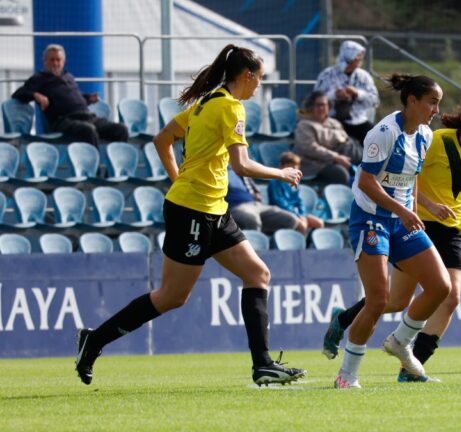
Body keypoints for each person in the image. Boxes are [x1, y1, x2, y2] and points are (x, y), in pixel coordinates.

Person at [74, 44, 307, 387]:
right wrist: (282, 173)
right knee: (171, 297)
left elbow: (161, 139)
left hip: (213, 209)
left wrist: (178, 177)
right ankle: (94, 341)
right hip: (193, 212)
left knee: (258, 273)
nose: (259, 86)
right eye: (259, 78)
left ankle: (263, 365)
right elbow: (241, 164)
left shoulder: (205, 103)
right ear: (247, 75)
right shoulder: (229, 107)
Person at [322, 91, 461, 383]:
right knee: (390, 301)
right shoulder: (437, 139)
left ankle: (410, 365)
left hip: (451, 229)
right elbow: (410, 173)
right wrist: (423, 207)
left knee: (450, 294)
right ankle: (344, 322)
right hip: (416, 221)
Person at [333, 73, 451, 389]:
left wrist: (411, 209)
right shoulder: (384, 132)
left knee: (441, 286)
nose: (436, 110)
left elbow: (410, 178)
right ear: (411, 101)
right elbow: (366, 182)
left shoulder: (424, 135)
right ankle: (346, 376)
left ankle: (400, 342)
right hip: (370, 220)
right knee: (377, 300)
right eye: (432, 102)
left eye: (438, 104)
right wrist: (403, 210)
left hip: (401, 222)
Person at [12, 44, 129, 146]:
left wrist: (88, 98)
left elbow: (73, 100)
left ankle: (114, 168)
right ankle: (93, 169)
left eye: (58, 60)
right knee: (88, 130)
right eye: (52, 60)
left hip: (87, 117)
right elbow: (18, 94)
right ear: (45, 61)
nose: (55, 63)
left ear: (63, 62)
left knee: (120, 129)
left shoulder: (68, 77)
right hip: (64, 121)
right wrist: (35, 95)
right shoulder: (39, 78)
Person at [313, 40, 379, 145]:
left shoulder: (364, 76)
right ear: (350, 57)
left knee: (375, 140)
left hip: (359, 120)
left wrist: (357, 93)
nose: (361, 58)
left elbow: (374, 100)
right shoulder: (327, 74)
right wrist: (335, 94)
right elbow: (315, 98)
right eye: (358, 55)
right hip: (332, 120)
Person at [293, 90, 362, 186]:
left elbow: (345, 140)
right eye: (318, 105)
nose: (321, 108)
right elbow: (310, 148)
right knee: (340, 174)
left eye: (324, 105)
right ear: (311, 107)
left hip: (340, 157)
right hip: (314, 164)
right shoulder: (304, 125)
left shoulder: (334, 123)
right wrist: (335, 157)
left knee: (367, 166)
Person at [226, 165, 303, 235]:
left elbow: (254, 189)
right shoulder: (220, 172)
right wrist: (281, 173)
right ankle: (255, 248)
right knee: (252, 220)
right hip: (237, 207)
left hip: (256, 204)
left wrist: (257, 193)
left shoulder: (238, 170)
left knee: (291, 220)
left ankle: (273, 246)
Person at [267, 152, 325, 234]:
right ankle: (299, 246)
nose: (294, 168)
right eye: (291, 166)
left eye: (296, 166)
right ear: (282, 166)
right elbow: (279, 203)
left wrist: (301, 213)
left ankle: (310, 244)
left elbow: (299, 200)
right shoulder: (274, 183)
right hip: (282, 213)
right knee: (302, 225)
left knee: (319, 223)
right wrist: (296, 214)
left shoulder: (294, 182)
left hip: (296, 213)